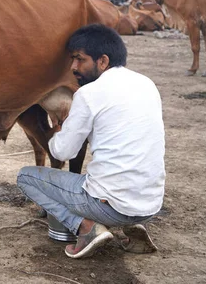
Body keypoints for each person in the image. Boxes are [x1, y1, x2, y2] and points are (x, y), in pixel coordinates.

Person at [17, 24, 165, 259]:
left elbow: (62, 152)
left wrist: (57, 130)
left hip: (110, 205)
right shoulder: (147, 84)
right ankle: (133, 226)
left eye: (79, 59)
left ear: (103, 61)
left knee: (25, 177)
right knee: (107, 174)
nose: (74, 67)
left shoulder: (88, 94)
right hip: (150, 205)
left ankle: (86, 227)